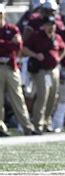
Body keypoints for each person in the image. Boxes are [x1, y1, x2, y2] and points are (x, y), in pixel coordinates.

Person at [0, 4, 39, 137]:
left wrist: (2, 44)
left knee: (18, 97)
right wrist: (8, 44)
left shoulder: (12, 28)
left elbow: (18, 46)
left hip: (11, 67)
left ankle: (27, 127)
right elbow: (12, 45)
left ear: (3, 14)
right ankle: (1, 127)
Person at [22, 15, 65, 133]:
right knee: (42, 96)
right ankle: (38, 124)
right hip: (41, 71)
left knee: (53, 97)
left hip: (54, 70)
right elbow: (24, 49)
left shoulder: (57, 37)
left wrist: (58, 59)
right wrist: (35, 55)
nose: (50, 27)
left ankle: (47, 122)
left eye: (52, 25)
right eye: (48, 25)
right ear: (43, 26)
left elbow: (63, 48)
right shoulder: (36, 36)